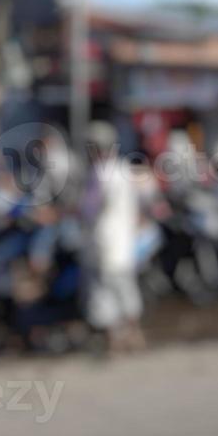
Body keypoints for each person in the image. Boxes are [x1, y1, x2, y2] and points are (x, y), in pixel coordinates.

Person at [80, 120, 145, 352]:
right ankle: (134, 335)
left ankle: (115, 341)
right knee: (126, 288)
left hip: (104, 241)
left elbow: (89, 209)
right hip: (124, 242)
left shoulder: (99, 173)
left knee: (103, 291)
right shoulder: (124, 169)